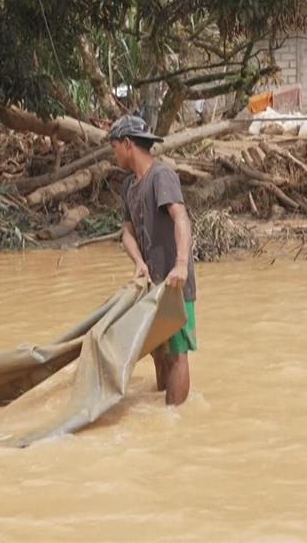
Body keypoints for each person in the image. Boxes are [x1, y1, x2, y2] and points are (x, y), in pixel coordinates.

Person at [108, 115, 197, 405]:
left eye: (114, 147)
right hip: (152, 283)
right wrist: (138, 262)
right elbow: (127, 232)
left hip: (174, 282)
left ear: (127, 143)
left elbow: (180, 217)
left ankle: (175, 417)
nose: (114, 154)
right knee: (158, 352)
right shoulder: (129, 186)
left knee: (176, 353)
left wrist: (182, 264)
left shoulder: (162, 176)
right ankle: (162, 408)